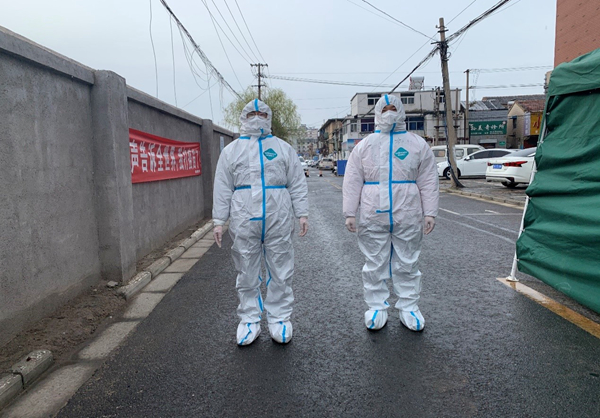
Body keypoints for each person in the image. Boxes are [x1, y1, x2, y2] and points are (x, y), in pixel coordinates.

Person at [212, 99, 309, 346]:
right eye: (252, 113)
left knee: (281, 268)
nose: (257, 117)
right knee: (246, 270)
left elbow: (297, 182)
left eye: (262, 113)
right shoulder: (231, 151)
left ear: (269, 117)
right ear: (244, 117)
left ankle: (279, 318)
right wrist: (219, 220)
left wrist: (302, 213)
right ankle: (249, 319)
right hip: (244, 217)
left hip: (278, 216)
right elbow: (222, 186)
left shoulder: (283, 148)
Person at [342, 94, 438, 332]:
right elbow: (353, 180)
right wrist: (349, 212)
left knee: (408, 261)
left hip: (408, 212)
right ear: (377, 113)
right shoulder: (365, 146)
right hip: (373, 214)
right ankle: (376, 306)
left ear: (402, 111)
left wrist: (430, 212)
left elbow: (428, 180)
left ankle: (409, 306)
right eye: (385, 109)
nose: (389, 113)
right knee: (375, 262)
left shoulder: (417, 144)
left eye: (393, 108)